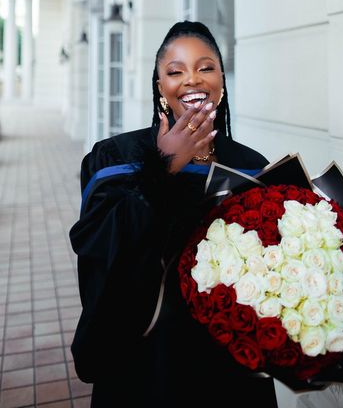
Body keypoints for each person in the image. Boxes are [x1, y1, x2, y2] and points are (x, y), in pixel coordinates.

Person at [69, 21, 278, 407]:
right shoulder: (114, 158)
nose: (191, 80)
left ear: (221, 80)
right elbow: (98, 249)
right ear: (159, 84)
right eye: (175, 70)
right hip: (147, 358)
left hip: (230, 361)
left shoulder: (252, 167)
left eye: (206, 67)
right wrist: (162, 167)